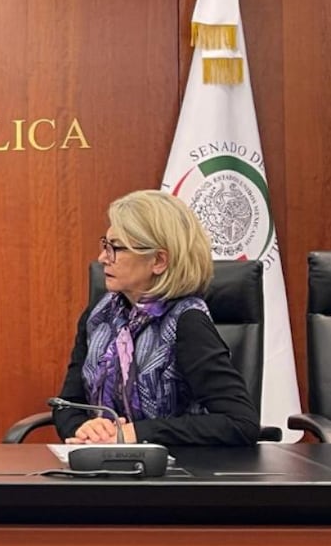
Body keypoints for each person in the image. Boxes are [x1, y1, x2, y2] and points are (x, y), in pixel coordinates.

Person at [53, 190, 259, 446]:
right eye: (105, 245)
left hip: (177, 475)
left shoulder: (186, 322)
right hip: (105, 467)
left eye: (116, 248)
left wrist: (138, 433)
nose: (103, 258)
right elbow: (66, 405)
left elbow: (240, 422)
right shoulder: (99, 317)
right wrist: (86, 427)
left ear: (159, 261)